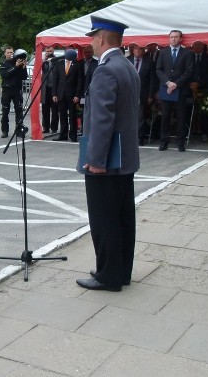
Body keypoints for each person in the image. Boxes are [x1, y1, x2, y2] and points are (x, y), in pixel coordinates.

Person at [76, 16, 140, 293]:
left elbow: (103, 119)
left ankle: (107, 275)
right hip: (124, 156)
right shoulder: (126, 66)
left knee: (104, 218)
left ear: (102, 39)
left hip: (107, 157)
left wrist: (96, 160)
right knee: (123, 216)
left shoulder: (105, 70)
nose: (91, 43)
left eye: (93, 38)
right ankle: (121, 270)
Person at [155, 30, 194, 152]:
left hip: (180, 89)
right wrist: (168, 83)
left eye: (176, 37)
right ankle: (164, 141)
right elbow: (158, 69)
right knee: (165, 116)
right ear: (169, 38)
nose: (173, 39)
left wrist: (176, 84)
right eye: (171, 37)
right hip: (166, 88)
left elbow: (189, 71)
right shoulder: (162, 52)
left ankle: (180, 142)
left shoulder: (187, 53)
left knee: (181, 116)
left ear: (181, 39)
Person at [51, 49, 84, 142]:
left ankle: (73, 135)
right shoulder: (59, 64)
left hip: (72, 95)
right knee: (62, 115)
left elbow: (80, 81)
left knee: (73, 115)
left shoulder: (77, 65)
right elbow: (55, 80)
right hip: (61, 94)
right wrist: (54, 94)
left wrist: (77, 95)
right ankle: (63, 134)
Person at [0, 46, 28, 138]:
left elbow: (24, 77)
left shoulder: (18, 62)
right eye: (8, 52)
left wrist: (23, 67)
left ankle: (19, 130)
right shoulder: (3, 64)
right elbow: (5, 75)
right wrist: (16, 66)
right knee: (5, 112)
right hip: (7, 90)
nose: (10, 54)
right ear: (5, 54)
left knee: (19, 111)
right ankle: (5, 131)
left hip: (17, 90)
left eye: (11, 52)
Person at [131, 44, 155, 145]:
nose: (138, 51)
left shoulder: (149, 61)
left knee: (139, 116)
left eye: (141, 49)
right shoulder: (126, 60)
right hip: (127, 93)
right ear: (132, 50)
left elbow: (152, 80)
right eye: (136, 49)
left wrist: (150, 95)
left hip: (142, 93)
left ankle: (139, 137)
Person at [40, 46, 58, 134]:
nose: (49, 52)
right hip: (45, 88)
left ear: (53, 51)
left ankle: (54, 127)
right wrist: (44, 61)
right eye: (47, 51)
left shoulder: (56, 60)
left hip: (54, 88)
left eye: (50, 51)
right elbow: (42, 70)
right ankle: (45, 127)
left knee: (54, 109)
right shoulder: (44, 61)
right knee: (45, 109)